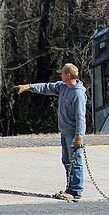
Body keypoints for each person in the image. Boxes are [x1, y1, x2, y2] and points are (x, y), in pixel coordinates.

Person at [14, 63, 87, 202]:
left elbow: (80, 117)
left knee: (75, 162)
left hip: (73, 134)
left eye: (62, 73)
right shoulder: (63, 86)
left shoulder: (77, 93)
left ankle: (76, 191)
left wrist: (79, 137)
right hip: (65, 132)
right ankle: (70, 189)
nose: (60, 75)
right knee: (67, 161)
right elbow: (47, 87)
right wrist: (29, 87)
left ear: (68, 75)